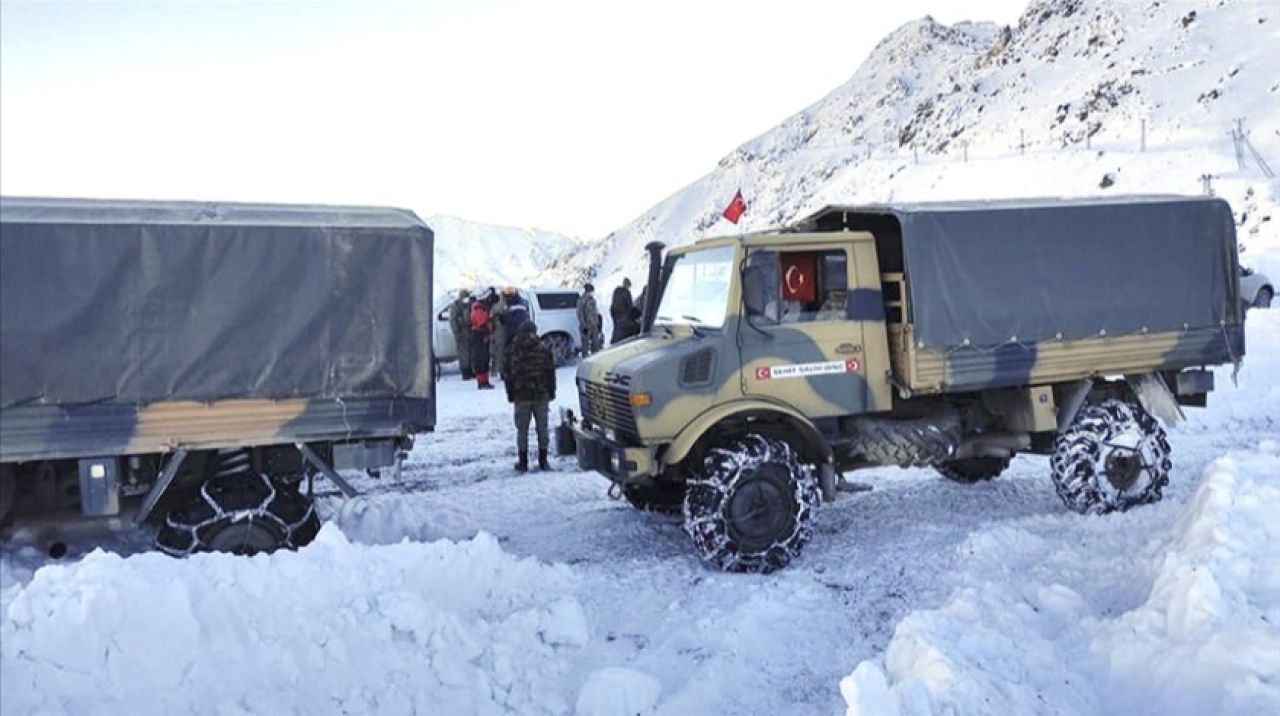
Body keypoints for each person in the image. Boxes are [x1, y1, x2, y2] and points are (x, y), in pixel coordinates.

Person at [503, 321, 556, 472]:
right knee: (542, 429)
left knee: (522, 430)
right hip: (541, 394)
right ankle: (543, 460)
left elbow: (507, 374)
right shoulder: (543, 348)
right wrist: (551, 392)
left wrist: (511, 394)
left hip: (521, 395)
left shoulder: (512, 349)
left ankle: (523, 461)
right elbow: (550, 373)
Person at [469, 289, 496, 390]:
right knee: (481, 359)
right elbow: (481, 324)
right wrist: (488, 329)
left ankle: (484, 380)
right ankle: (482, 382)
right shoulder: (479, 308)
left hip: (481, 335)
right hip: (480, 336)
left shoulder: (480, 308)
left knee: (484, 359)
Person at [448, 289, 474, 379]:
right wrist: (457, 332)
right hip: (461, 332)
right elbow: (453, 320)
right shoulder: (456, 306)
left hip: (470, 331)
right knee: (463, 354)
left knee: (471, 352)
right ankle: (465, 371)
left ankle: (471, 370)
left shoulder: (471, 305)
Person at [576, 283, 602, 356]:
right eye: (591, 291)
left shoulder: (592, 300)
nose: (592, 293)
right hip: (586, 325)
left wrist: (598, 323)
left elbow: (595, 312)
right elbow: (580, 314)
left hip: (593, 325)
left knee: (596, 344)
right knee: (585, 345)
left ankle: (595, 358)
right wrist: (583, 325)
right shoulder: (582, 300)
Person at [610, 278, 637, 344]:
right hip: (624, 315)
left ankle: (614, 343)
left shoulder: (616, 290)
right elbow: (630, 306)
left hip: (615, 314)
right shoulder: (627, 293)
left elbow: (613, 304)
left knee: (617, 330)